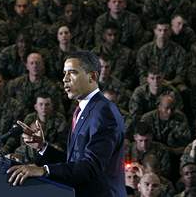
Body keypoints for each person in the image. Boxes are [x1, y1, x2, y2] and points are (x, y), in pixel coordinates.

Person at [7, 51, 126, 196]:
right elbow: (74, 163)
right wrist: (42, 147)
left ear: (92, 77)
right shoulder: (81, 110)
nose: (65, 79)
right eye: (64, 73)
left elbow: (90, 167)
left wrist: (44, 170)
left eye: (72, 73)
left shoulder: (104, 112)